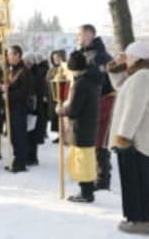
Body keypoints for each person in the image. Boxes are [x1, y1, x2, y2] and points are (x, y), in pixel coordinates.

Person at [108, 42, 149, 235]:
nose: (126, 58)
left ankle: (141, 219)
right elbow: (119, 85)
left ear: (139, 56)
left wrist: (123, 136)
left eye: (129, 55)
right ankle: (138, 217)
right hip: (135, 139)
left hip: (137, 140)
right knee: (135, 180)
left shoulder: (142, 76)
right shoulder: (137, 75)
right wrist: (116, 66)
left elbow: (134, 109)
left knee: (137, 181)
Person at [56, 51, 99, 203]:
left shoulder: (80, 84)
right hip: (88, 125)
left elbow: (73, 109)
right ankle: (86, 190)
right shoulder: (91, 80)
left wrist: (60, 110)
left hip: (81, 127)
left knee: (83, 160)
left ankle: (86, 192)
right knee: (85, 159)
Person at [78, 24, 115, 190]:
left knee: (100, 140)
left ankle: (103, 177)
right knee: (91, 139)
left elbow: (104, 81)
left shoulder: (101, 56)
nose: (79, 37)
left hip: (103, 100)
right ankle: (93, 173)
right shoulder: (83, 54)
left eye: (81, 34)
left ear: (89, 35)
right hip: (89, 101)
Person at [5, 45, 33, 173]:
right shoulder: (10, 70)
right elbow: (6, 84)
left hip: (20, 108)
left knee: (19, 135)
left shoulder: (24, 71)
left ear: (17, 55)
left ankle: (21, 161)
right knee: (12, 135)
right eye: (8, 55)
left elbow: (24, 92)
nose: (8, 57)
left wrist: (9, 94)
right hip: (10, 107)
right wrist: (1, 87)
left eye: (10, 54)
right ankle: (15, 158)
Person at [46, 50, 66, 143]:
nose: (56, 60)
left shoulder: (65, 69)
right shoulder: (51, 70)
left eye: (57, 58)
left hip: (62, 96)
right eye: (54, 58)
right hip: (52, 96)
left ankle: (64, 135)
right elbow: (46, 82)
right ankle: (59, 134)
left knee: (61, 116)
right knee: (55, 116)